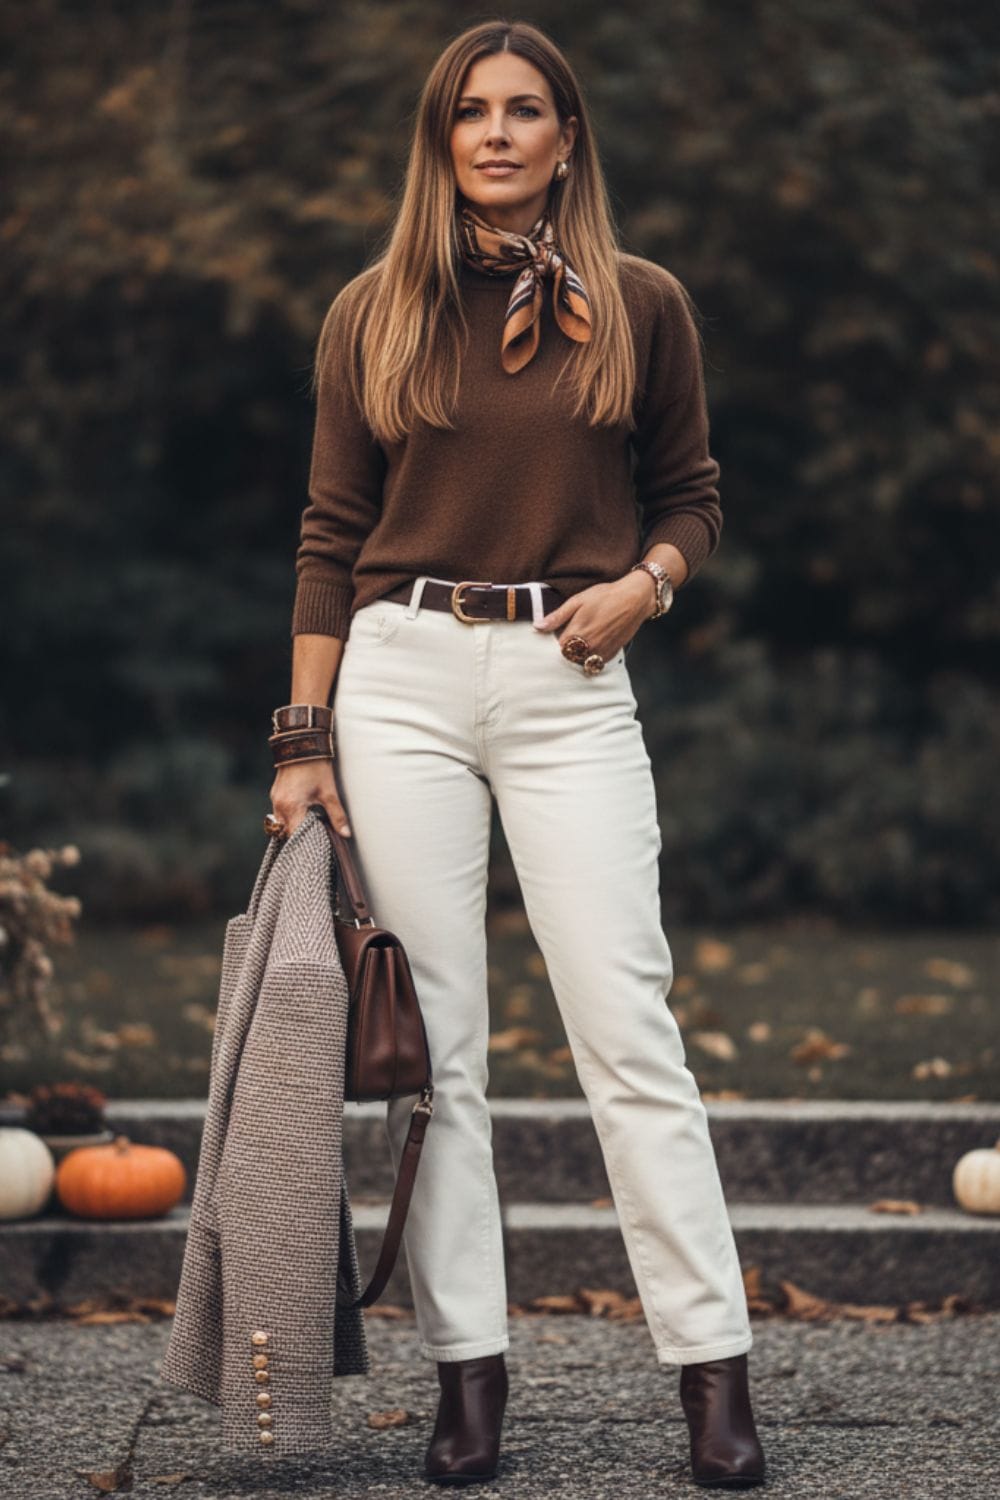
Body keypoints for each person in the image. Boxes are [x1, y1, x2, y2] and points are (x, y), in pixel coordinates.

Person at [267, 18, 766, 1490]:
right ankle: (466, 1379)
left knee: (631, 1033)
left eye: (524, 110)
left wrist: (648, 583)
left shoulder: (643, 303)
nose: (495, 132)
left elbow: (691, 495)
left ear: (567, 136)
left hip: (570, 676)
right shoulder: (373, 310)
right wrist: (305, 740)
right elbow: (327, 537)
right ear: (440, 139)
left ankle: (713, 1378)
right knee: (439, 1058)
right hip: (402, 677)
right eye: (470, 112)